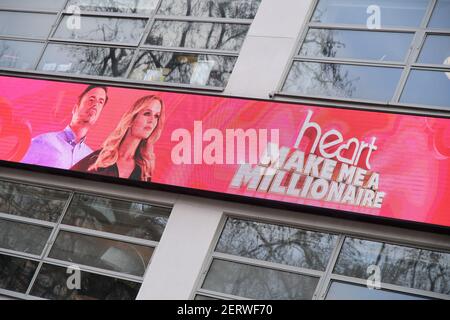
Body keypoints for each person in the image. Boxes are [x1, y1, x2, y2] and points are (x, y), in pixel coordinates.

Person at [72, 95, 165, 182]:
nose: (152, 120)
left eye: (156, 116)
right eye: (147, 113)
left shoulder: (144, 171)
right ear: (132, 119)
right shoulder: (99, 158)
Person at [21, 85, 108, 169]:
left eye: (100, 102)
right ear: (75, 108)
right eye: (91, 99)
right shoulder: (43, 141)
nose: (95, 105)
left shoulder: (92, 160)